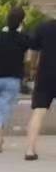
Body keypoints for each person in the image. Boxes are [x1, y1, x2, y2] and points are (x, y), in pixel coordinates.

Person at [0, 5, 31, 154]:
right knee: (1, 111)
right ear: (21, 21)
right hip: (11, 80)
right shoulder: (24, 39)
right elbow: (27, 60)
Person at [27, 12, 55, 161]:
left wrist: (32, 68)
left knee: (38, 111)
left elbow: (34, 51)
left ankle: (30, 150)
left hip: (45, 75)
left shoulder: (43, 27)